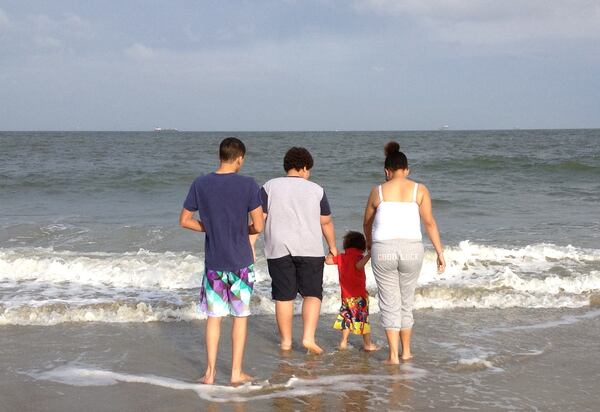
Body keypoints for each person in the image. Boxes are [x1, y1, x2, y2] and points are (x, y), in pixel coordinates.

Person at [179, 137, 264, 385]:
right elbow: (259, 225)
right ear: (239, 159)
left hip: (214, 262)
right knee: (240, 317)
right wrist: (240, 229)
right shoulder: (248, 185)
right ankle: (236, 373)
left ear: (220, 156)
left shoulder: (201, 183)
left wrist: (211, 227)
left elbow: (184, 220)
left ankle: (209, 373)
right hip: (240, 262)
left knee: (214, 318)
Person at [363, 141, 445, 364]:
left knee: (389, 302)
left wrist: (369, 246)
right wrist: (439, 252)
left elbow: (367, 223)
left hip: (384, 250)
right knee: (406, 301)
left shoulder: (378, 191)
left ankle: (392, 356)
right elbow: (429, 223)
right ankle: (406, 351)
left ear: (386, 172)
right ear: (407, 170)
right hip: (412, 249)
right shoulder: (419, 190)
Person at [259, 147, 337, 354]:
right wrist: (333, 248)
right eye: (308, 170)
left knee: (284, 296)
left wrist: (248, 244)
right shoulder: (316, 189)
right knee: (312, 294)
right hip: (310, 248)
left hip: (278, 247)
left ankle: (285, 342)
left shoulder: (269, 187)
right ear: (303, 168)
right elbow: (326, 222)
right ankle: (308, 338)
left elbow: (260, 219)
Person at [326, 231, 378, 351]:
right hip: (359, 296)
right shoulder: (359, 257)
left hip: (346, 296)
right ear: (361, 247)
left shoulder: (341, 258)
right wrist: (369, 255)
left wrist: (332, 251)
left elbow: (328, 261)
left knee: (347, 318)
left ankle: (343, 342)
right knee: (363, 319)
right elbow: (358, 266)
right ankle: (368, 344)